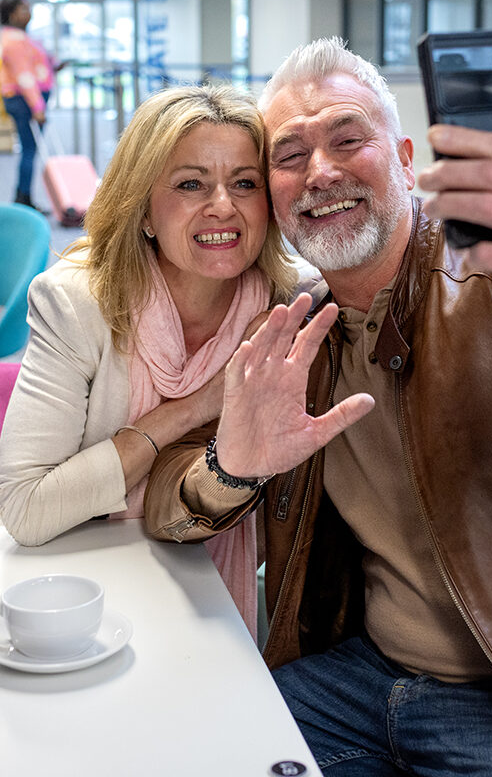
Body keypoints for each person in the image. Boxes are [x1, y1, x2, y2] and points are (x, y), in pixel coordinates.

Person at [144, 38, 492, 777]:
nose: (322, 171)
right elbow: (167, 503)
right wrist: (234, 466)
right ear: (274, 198)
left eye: (349, 139)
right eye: (290, 156)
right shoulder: (293, 333)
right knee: (183, 751)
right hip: (359, 678)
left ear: (406, 159)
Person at [0, 83, 300, 636]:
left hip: (211, 582)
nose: (222, 207)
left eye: (244, 183)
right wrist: (193, 408)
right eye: (191, 184)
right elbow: (25, 509)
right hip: (87, 582)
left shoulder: (288, 306)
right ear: (144, 211)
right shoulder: (79, 303)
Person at [0, 0, 65, 211]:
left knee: (30, 149)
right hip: (26, 101)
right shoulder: (15, 40)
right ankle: (23, 197)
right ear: (11, 14)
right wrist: (37, 107)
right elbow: (24, 76)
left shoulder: (19, 37)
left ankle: (23, 195)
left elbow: (36, 64)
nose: (29, 13)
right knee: (29, 150)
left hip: (25, 100)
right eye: (23, 9)